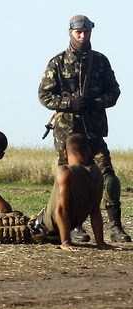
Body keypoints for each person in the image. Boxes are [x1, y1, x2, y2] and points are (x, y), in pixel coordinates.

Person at [38, 15, 130, 243]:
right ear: (71, 32)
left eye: (86, 31)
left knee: (108, 176)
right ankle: (72, 226)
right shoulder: (57, 63)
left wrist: (96, 103)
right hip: (68, 136)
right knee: (67, 180)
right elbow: (44, 95)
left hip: (94, 131)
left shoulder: (100, 61)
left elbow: (114, 92)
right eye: (78, 32)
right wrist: (68, 104)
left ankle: (116, 226)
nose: (83, 35)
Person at [36, 133, 118, 251]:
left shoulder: (64, 171)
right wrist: (100, 242)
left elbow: (61, 209)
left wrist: (65, 241)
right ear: (88, 151)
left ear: (65, 153)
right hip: (46, 228)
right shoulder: (97, 174)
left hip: (44, 228)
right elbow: (95, 211)